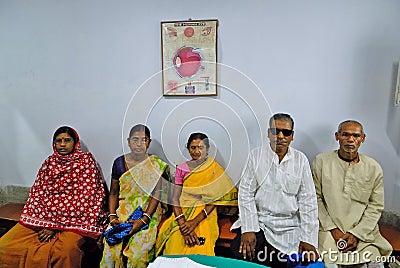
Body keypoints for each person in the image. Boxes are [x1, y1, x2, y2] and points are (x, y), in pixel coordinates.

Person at [0, 126, 107, 268]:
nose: (62, 144)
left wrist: (55, 226)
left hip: (76, 222)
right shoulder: (49, 163)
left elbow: (87, 200)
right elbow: (37, 194)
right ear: (54, 143)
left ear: (75, 143)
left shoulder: (86, 163)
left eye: (67, 140)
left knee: (64, 252)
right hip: (43, 219)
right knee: (6, 245)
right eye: (59, 141)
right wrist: (48, 222)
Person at [230, 113, 319, 268]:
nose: (280, 136)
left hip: (289, 225)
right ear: (268, 133)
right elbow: (245, 193)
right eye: (275, 131)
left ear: (292, 136)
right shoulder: (256, 156)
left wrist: (309, 239)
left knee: (303, 261)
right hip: (261, 221)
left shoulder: (300, 160)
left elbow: (308, 201)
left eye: (286, 132)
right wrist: (249, 229)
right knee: (242, 253)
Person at [311, 120, 392, 267]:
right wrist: (333, 230)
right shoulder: (321, 162)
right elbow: (315, 199)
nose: (350, 140)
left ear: (362, 138)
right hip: (328, 231)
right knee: (329, 264)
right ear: (337, 136)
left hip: (364, 234)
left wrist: (356, 234)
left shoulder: (373, 168)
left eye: (355, 135)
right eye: (345, 135)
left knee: (375, 264)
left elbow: (376, 206)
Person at [155, 132, 238, 256]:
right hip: (182, 212)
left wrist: (194, 222)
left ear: (207, 149)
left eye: (201, 147)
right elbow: (175, 198)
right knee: (174, 245)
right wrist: (183, 224)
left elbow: (216, 200)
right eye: (193, 147)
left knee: (199, 249)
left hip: (205, 214)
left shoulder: (214, 169)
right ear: (188, 149)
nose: (197, 151)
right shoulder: (182, 168)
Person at [100, 124, 170, 268]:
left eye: (144, 140)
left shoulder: (156, 164)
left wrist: (144, 220)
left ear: (149, 142)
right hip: (122, 212)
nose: (139, 144)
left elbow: (157, 195)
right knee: (110, 251)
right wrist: (112, 216)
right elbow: (113, 192)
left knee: (138, 255)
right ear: (128, 141)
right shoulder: (119, 163)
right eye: (135, 140)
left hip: (149, 213)